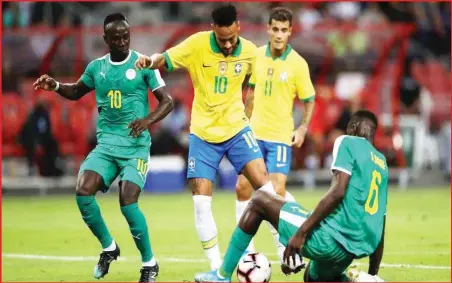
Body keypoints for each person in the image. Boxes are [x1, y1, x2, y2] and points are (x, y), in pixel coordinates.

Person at [33, 13, 174, 282]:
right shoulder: (96, 68)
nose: (122, 41)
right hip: (107, 145)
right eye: (116, 37)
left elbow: (167, 101)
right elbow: (75, 92)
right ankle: (109, 247)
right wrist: (55, 86)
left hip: (135, 147)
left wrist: (147, 121)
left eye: (126, 36)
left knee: (128, 201)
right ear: (105, 39)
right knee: (82, 191)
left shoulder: (144, 63)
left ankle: (149, 264)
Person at [135, 4, 278, 271]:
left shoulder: (249, 51)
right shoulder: (197, 44)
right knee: (201, 202)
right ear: (213, 29)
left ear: (239, 28)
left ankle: (289, 247)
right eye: (222, 40)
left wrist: (247, 119)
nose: (227, 45)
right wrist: (149, 60)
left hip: (237, 129)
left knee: (267, 191)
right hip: (203, 134)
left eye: (232, 39)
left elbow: (253, 88)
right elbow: (164, 58)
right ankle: (217, 268)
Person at [194, 110, 388, 282]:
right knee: (312, 278)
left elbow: (338, 192)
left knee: (259, 200)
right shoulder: (382, 162)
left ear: (353, 127)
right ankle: (361, 279)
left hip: (330, 241)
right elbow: (382, 222)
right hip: (350, 252)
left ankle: (221, 276)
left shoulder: (347, 141)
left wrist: (300, 235)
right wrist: (373, 273)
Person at [236, 7, 316, 267]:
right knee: (243, 188)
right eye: (275, 29)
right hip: (254, 134)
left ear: (290, 32)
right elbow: (250, 93)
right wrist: (242, 124)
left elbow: (309, 100)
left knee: (276, 192)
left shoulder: (298, 64)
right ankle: (247, 253)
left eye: (284, 30)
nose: (279, 34)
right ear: (268, 29)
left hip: (281, 136)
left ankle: (287, 250)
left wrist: (302, 127)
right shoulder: (256, 56)